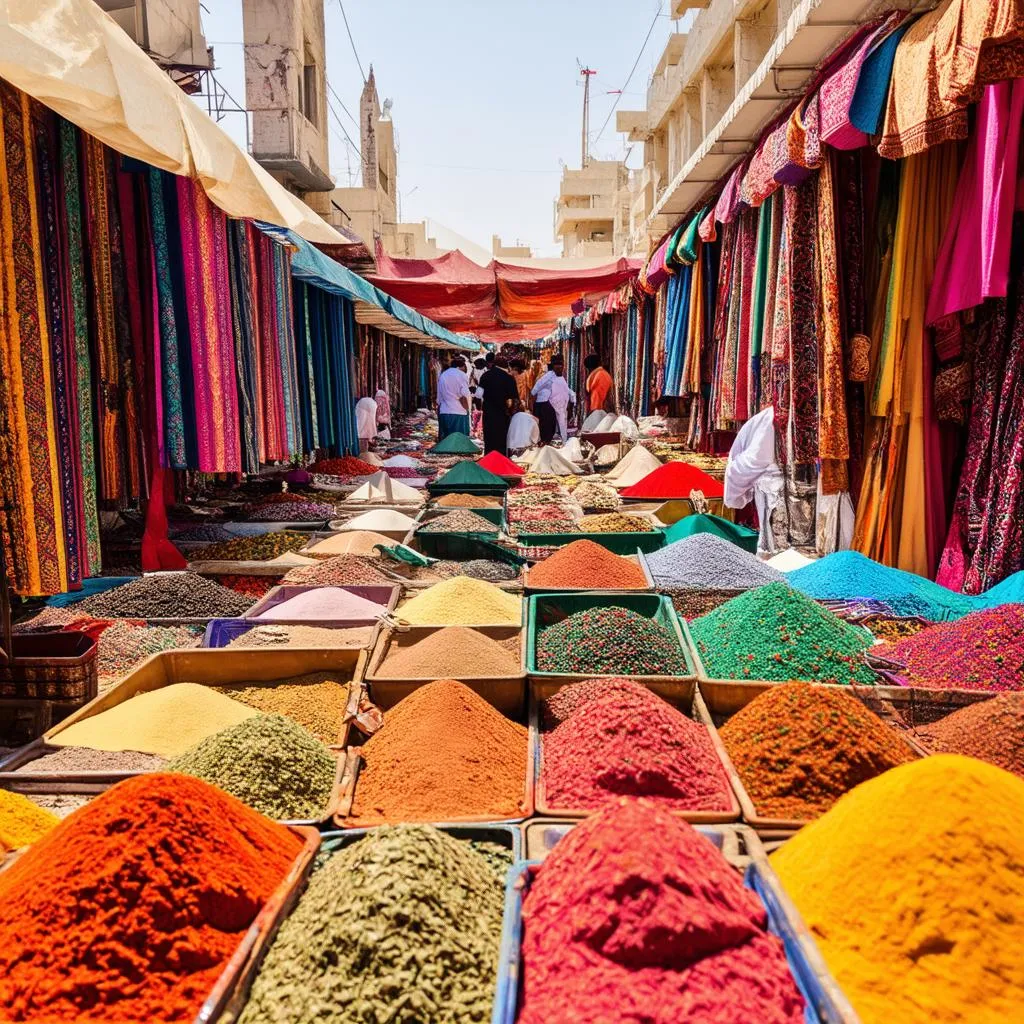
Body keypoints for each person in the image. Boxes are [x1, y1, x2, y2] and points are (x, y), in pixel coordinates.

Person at [478, 353, 519, 455]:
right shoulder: (509, 379)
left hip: (488, 415)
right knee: (502, 440)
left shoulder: (485, 376)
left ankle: (489, 462)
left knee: (489, 440)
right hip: (503, 416)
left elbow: (478, 396)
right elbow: (515, 401)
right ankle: (500, 463)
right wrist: (512, 414)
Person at [531, 354, 564, 444]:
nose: (560, 368)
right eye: (558, 366)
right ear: (554, 366)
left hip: (548, 404)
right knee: (546, 428)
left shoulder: (557, 376)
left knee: (550, 427)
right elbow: (535, 389)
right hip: (543, 404)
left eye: (561, 366)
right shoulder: (549, 376)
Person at [436, 356, 471, 438]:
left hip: (444, 412)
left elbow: (439, 399)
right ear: (460, 367)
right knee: (458, 443)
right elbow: (465, 394)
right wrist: (467, 409)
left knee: (446, 443)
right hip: (458, 412)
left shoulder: (443, 375)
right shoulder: (462, 375)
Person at [548, 363, 576, 443]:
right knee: (561, 424)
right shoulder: (559, 379)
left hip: (558, 405)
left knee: (559, 425)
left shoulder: (557, 379)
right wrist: (572, 401)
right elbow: (569, 392)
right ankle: (562, 441)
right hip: (558, 405)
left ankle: (560, 441)